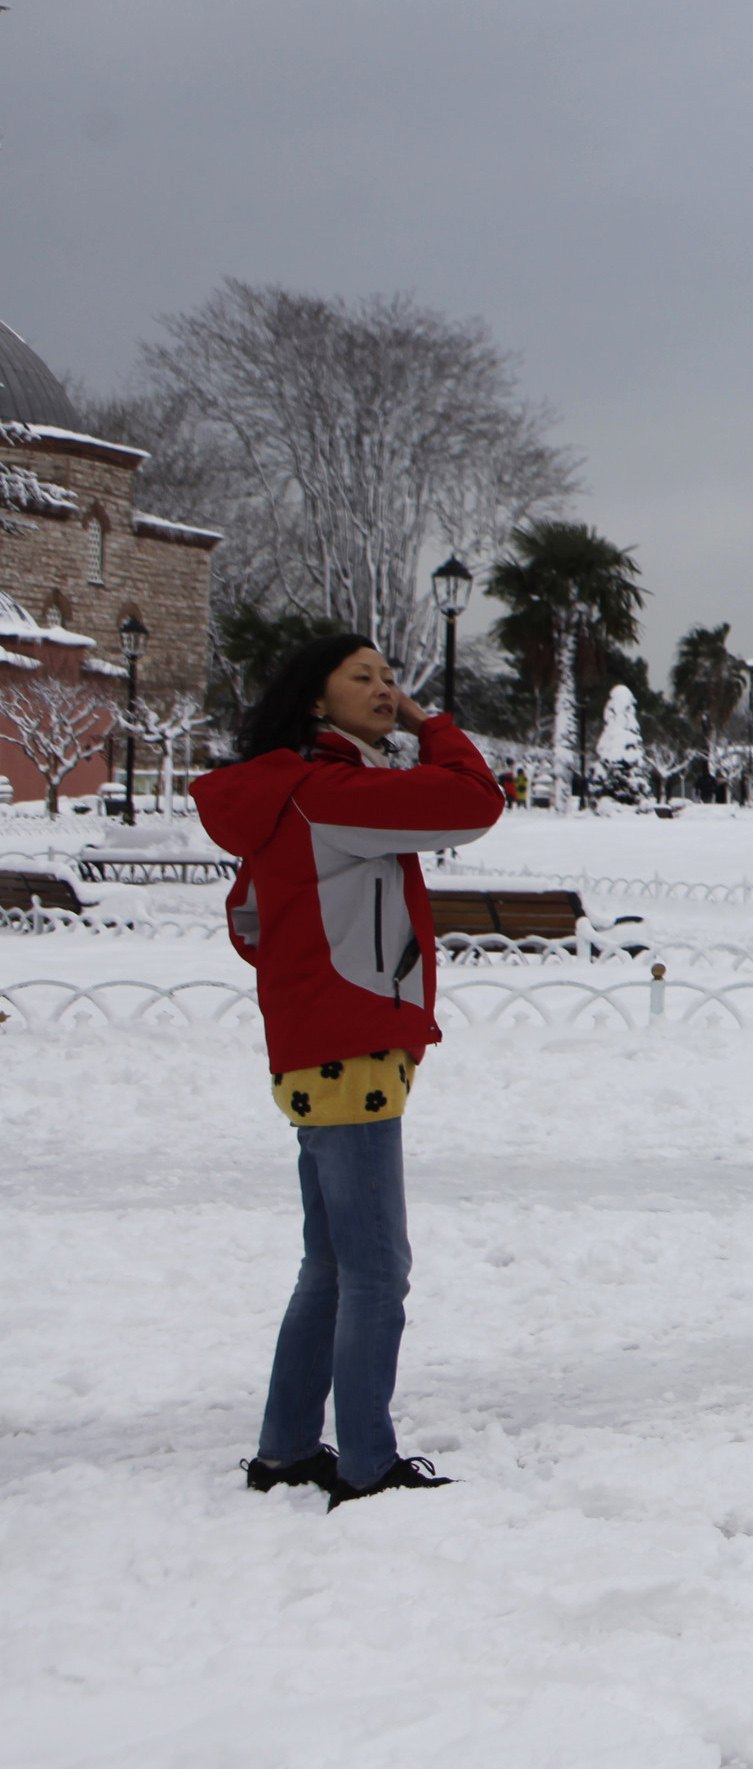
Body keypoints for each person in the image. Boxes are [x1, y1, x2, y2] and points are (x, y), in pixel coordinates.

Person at [192, 634, 505, 1506]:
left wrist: (312, 970)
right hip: (350, 1046)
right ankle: (366, 1464)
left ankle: (288, 1448)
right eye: (363, 678)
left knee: (330, 1267)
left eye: (391, 677)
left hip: (311, 1045)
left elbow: (248, 920)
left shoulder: (278, 793)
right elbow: (475, 803)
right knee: (376, 1270)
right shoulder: (330, 791)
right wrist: (428, 721)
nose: (385, 689)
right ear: (316, 701)